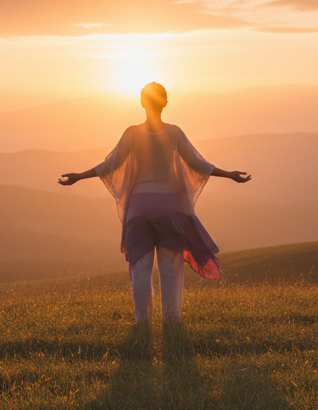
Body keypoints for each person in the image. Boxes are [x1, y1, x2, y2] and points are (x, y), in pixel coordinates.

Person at [59, 82, 250, 323]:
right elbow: (198, 164)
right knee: (170, 268)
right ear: (165, 102)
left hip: (139, 208)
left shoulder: (131, 134)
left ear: (141, 102)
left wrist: (78, 176)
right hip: (170, 208)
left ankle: (142, 322)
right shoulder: (174, 133)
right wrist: (230, 175)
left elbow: (109, 165)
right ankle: (171, 320)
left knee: (141, 268)